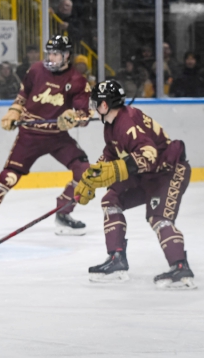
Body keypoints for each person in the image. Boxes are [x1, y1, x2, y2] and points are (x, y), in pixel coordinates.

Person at [74, 80, 196, 289]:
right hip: (146, 174)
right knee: (111, 200)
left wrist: (114, 171)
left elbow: (149, 155)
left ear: (104, 105)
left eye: (95, 103)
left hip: (168, 171)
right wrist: (90, 179)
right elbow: (111, 155)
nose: (93, 108)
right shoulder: (112, 125)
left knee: (158, 217)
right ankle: (116, 259)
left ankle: (180, 267)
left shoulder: (127, 122)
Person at [0, 35, 92, 236]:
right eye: (49, 53)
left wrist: (75, 117)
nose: (51, 57)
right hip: (29, 135)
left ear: (66, 56)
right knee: (9, 177)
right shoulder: (36, 70)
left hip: (58, 138)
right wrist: (14, 111)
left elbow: (84, 114)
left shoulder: (77, 81)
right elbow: (23, 95)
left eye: (56, 54)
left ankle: (64, 213)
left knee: (84, 171)